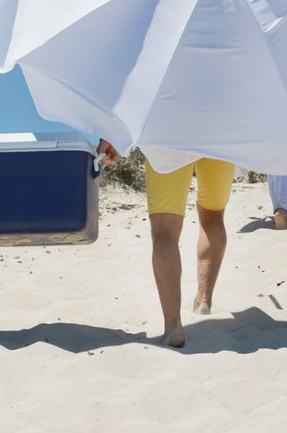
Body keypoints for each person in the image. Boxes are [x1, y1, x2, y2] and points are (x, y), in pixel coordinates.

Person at [97, 140, 233, 348]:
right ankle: (204, 300)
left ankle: (173, 325)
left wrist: (110, 137)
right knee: (213, 215)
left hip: (167, 133)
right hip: (221, 129)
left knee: (165, 230)